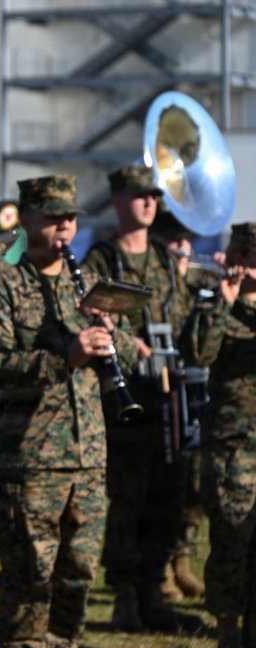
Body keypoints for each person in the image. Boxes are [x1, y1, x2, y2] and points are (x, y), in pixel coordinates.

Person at [0, 174, 137, 648]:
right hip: (31, 458)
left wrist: (111, 334)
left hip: (88, 455)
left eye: (70, 218)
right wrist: (65, 357)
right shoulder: (3, 284)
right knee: (29, 571)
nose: (65, 227)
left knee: (79, 572)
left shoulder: (88, 283)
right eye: (54, 218)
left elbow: (130, 356)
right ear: (27, 220)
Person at [81, 164, 202, 633]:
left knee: (167, 496)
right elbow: (90, 317)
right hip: (126, 402)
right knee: (128, 499)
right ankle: (126, 595)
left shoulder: (165, 260)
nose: (150, 203)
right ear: (118, 201)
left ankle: (153, 590)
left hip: (167, 396)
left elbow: (185, 316)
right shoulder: (102, 260)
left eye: (153, 196)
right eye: (139, 195)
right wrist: (129, 342)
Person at [180, 222, 256, 648]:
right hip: (234, 447)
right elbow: (198, 354)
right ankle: (228, 636)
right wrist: (223, 302)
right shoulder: (216, 304)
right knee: (231, 543)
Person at [148, 209, 207, 601]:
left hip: (193, 395)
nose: (183, 248)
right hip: (157, 393)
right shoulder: (154, 283)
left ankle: (182, 561)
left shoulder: (194, 283)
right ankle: (159, 570)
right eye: (175, 241)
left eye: (187, 241)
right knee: (162, 486)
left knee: (194, 485)